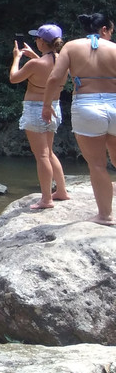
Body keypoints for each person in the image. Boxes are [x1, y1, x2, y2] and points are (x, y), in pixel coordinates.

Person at [43, 13, 116, 225]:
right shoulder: (114, 48)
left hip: (86, 106)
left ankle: (105, 216)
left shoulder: (71, 47)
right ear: (104, 29)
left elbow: (55, 78)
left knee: (97, 165)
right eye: (111, 31)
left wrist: (47, 105)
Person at [10, 24, 70, 210]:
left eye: (37, 38)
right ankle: (61, 191)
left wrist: (17, 58)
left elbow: (14, 78)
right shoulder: (63, 61)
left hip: (36, 109)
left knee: (42, 155)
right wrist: (35, 56)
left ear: (42, 42)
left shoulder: (34, 65)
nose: (35, 40)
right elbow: (49, 72)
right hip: (54, 107)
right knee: (49, 153)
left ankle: (46, 199)